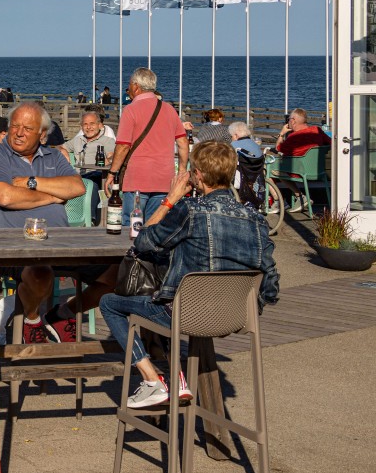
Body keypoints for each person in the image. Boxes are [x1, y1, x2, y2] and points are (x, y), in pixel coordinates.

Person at [99, 141, 279, 408]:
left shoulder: (190, 211)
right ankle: (177, 377)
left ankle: (152, 380)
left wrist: (170, 200)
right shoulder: (256, 219)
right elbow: (271, 288)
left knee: (110, 303)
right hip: (238, 317)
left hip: (187, 315)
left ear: (199, 176)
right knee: (159, 297)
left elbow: (143, 241)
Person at [0, 102, 86, 343]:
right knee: (39, 271)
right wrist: (53, 195)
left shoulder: (53, 156)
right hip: (12, 247)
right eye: (14, 126)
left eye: (27, 128)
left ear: (43, 135)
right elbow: (5, 197)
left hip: (61, 244)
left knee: (118, 271)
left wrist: (31, 182)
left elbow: (76, 187)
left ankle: (62, 313)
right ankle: (32, 319)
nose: (18, 132)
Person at [106, 68, 189, 220]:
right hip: (164, 178)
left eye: (129, 84)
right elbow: (183, 142)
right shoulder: (169, 109)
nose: (128, 88)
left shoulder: (130, 110)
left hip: (138, 177)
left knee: (131, 223)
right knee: (155, 224)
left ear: (136, 86)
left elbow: (123, 146)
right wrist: (182, 170)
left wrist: (112, 173)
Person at [62, 110, 116, 223]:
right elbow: (59, 147)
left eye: (92, 124)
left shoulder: (107, 141)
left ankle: (90, 218)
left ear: (100, 125)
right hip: (78, 176)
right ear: (81, 126)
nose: (88, 127)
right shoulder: (77, 140)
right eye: (85, 124)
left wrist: (110, 159)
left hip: (98, 174)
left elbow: (113, 155)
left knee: (92, 182)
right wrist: (63, 151)